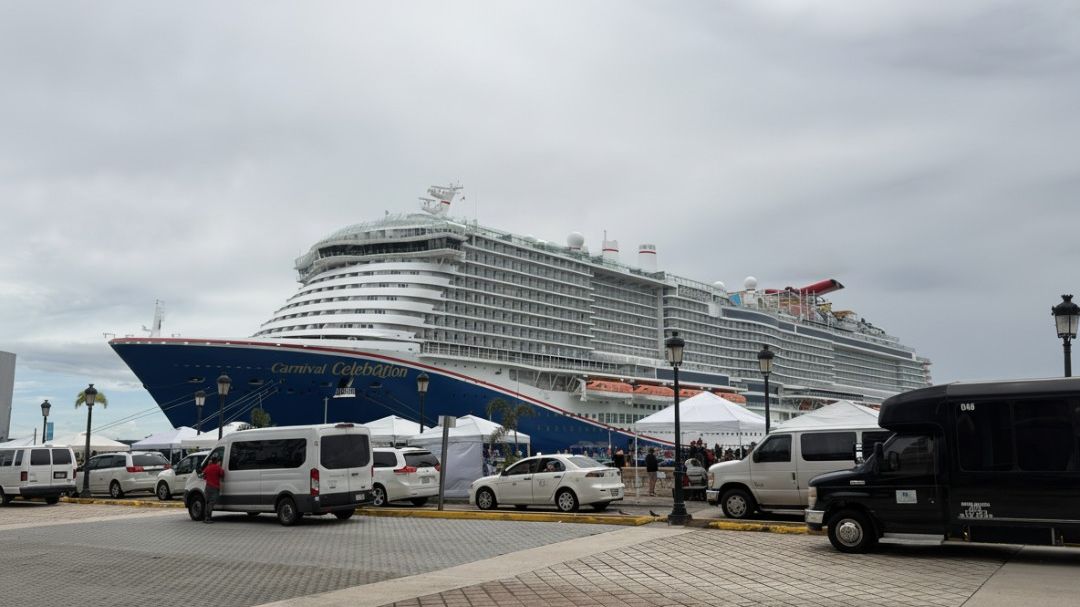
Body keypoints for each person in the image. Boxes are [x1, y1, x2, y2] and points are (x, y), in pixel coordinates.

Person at [202, 453, 225, 524]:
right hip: (214, 488)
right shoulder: (218, 467)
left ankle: (206, 518)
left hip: (208, 487)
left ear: (211, 461)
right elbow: (222, 474)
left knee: (207, 502)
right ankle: (208, 518)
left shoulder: (208, 467)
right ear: (217, 461)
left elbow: (204, 476)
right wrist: (219, 466)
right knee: (211, 503)